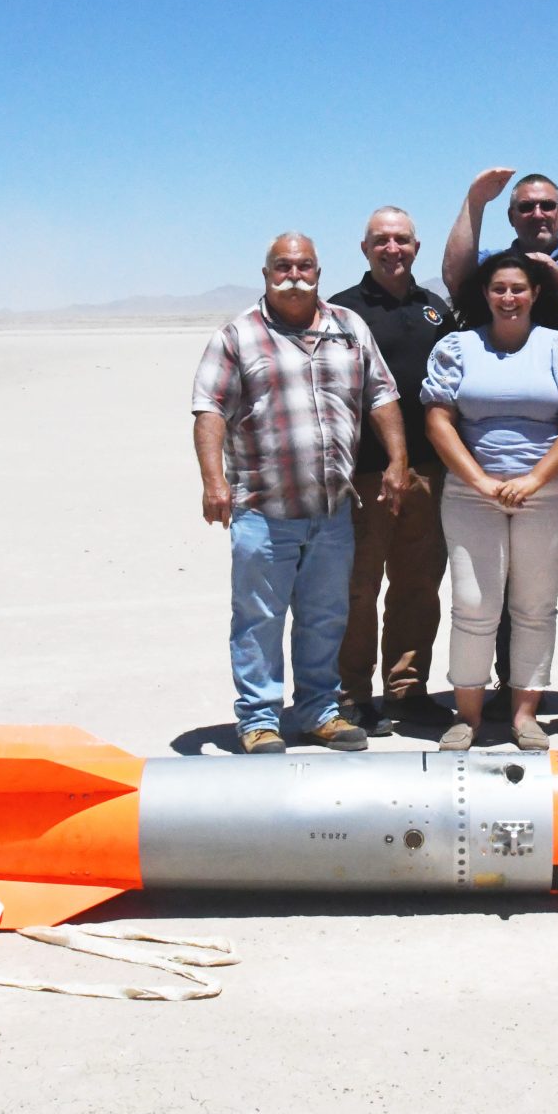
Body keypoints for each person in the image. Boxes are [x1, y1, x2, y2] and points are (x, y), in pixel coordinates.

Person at [192, 233, 409, 754]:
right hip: (264, 511)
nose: (295, 276)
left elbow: (381, 394)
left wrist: (398, 459)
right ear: (266, 274)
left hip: (332, 511)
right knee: (259, 620)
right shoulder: (237, 336)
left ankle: (318, 712)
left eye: (304, 266)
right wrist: (213, 480)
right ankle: (259, 719)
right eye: (283, 266)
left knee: (326, 616)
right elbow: (210, 409)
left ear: (318, 272)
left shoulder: (348, 328)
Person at [440, 167, 558, 722]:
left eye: (547, 205)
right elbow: (456, 278)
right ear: (512, 216)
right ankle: (515, 686)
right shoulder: (499, 268)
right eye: (526, 207)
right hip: (504, 460)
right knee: (509, 580)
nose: (538, 214)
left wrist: (554, 275)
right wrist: (474, 202)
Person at [421, 249, 558, 752]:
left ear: (535, 293)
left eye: (518, 288)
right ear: (485, 293)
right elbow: (438, 419)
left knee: (535, 606)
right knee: (473, 604)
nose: (508, 297)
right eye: (499, 288)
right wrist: (479, 480)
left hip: (550, 494)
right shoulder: (457, 347)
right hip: (471, 494)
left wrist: (536, 478)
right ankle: (467, 715)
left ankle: (525, 716)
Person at [327, 206, 457, 733]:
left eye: (401, 239)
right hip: (363, 476)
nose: (392, 248)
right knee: (358, 587)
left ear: (416, 248)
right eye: (381, 240)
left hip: (427, 473)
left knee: (418, 585)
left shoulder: (435, 310)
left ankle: (407, 689)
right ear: (365, 249)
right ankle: (352, 694)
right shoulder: (341, 311)